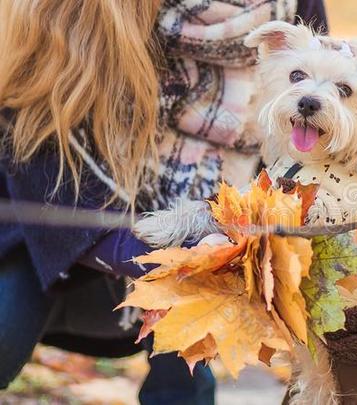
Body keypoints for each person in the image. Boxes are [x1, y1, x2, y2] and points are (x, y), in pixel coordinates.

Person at [0, 1, 327, 403]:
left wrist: (233, 246)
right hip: (50, 230)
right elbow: (33, 149)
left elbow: (309, 151)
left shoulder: (287, 8)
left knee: (187, 364)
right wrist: (171, 252)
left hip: (205, 229)